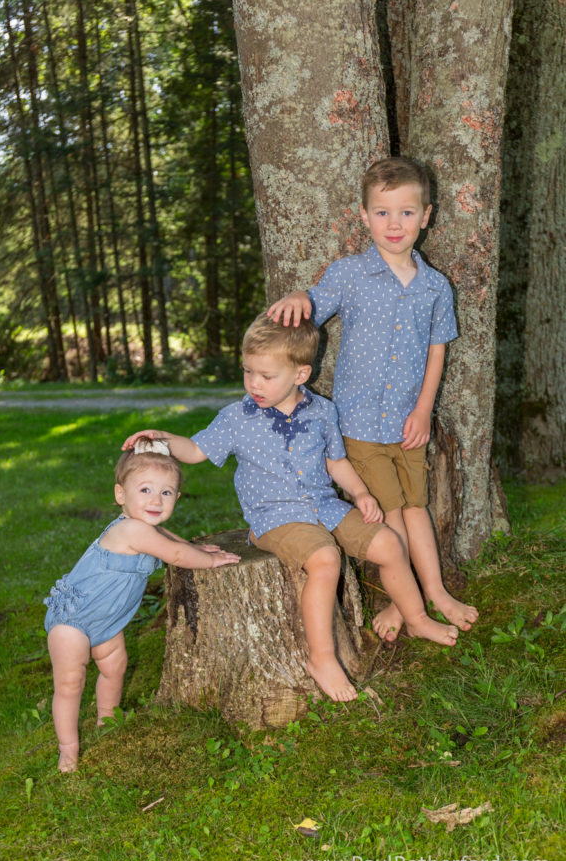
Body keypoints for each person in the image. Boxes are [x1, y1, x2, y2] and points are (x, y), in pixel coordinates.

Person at [122, 313, 460, 706]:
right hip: (275, 518)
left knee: (388, 543)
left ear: (301, 374)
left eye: (266, 376)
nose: (254, 384)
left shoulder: (322, 412)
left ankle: (416, 619)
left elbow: (336, 462)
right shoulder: (237, 418)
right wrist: (162, 439)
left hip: (324, 506)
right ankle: (322, 658)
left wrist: (362, 493)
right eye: (248, 372)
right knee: (324, 558)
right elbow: (196, 451)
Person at [268, 156, 478, 643]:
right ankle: (401, 604)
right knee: (386, 516)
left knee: (417, 508)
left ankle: (436, 592)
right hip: (359, 426)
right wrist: (300, 293)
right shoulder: (350, 274)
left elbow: (436, 350)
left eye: (406, 212)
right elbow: (312, 305)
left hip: (410, 422)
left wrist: (424, 409)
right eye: (382, 213)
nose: (394, 224)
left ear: (426, 216)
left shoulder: (434, 287)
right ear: (364, 217)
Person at [44, 438, 240, 772]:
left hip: (106, 623)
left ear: (176, 497)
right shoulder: (130, 529)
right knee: (69, 683)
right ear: (121, 495)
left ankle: (107, 721)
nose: (155, 500)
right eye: (145, 490)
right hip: (72, 621)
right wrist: (208, 562)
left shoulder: (146, 528)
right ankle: (68, 749)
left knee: (114, 667)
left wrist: (201, 548)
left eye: (166, 493)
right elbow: (175, 554)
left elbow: (170, 539)